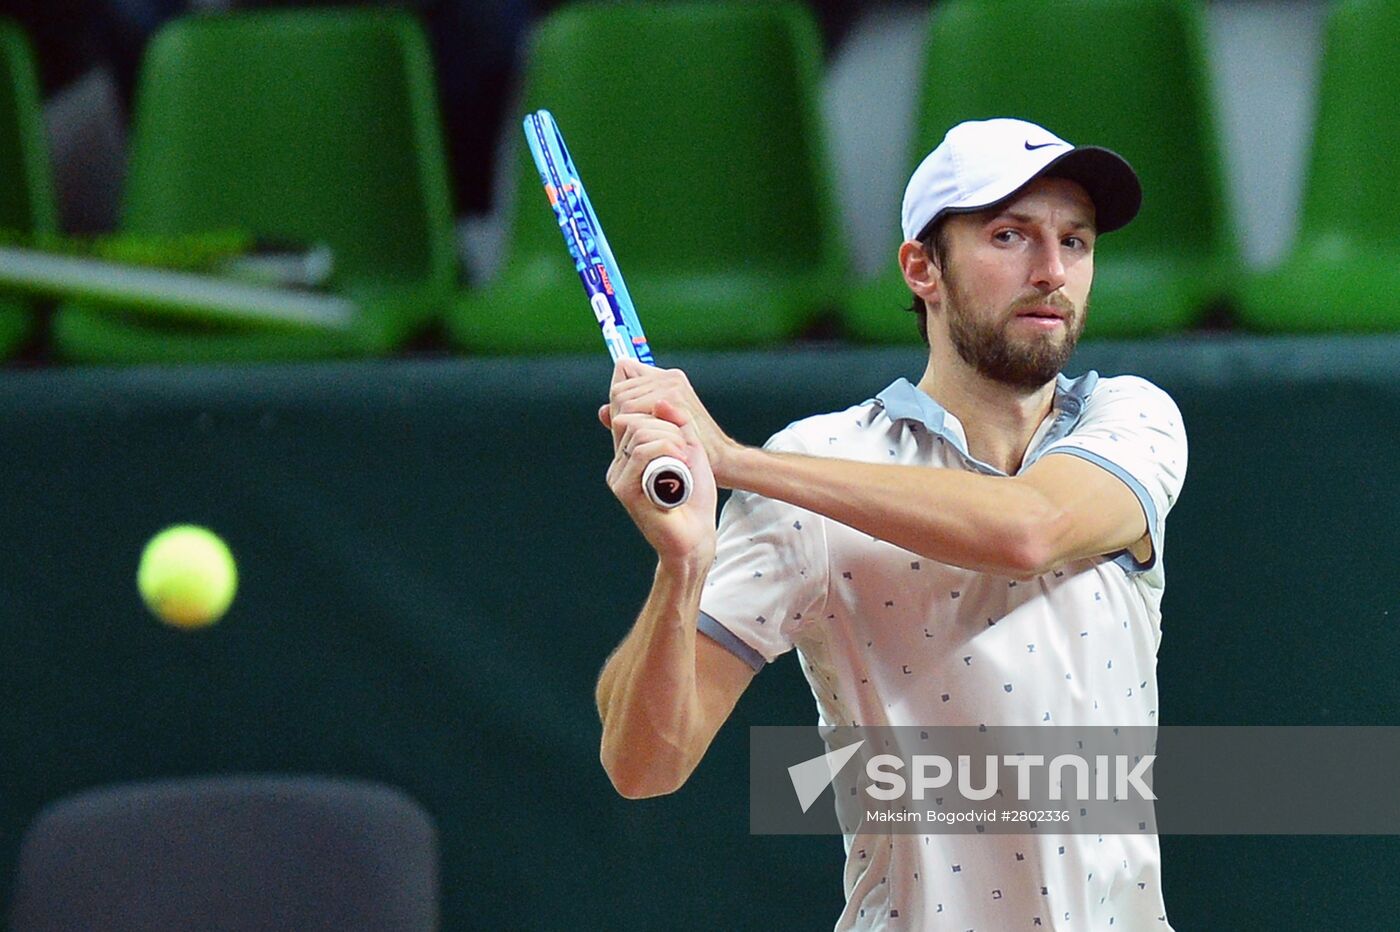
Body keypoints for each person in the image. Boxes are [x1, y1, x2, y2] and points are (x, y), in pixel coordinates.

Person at [594, 117, 1186, 930]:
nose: (1051, 271)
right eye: (1010, 235)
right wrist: (683, 566)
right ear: (921, 268)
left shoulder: (1130, 418)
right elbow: (644, 764)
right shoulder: (820, 462)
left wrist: (732, 461)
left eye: (1075, 242)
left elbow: (1029, 531)